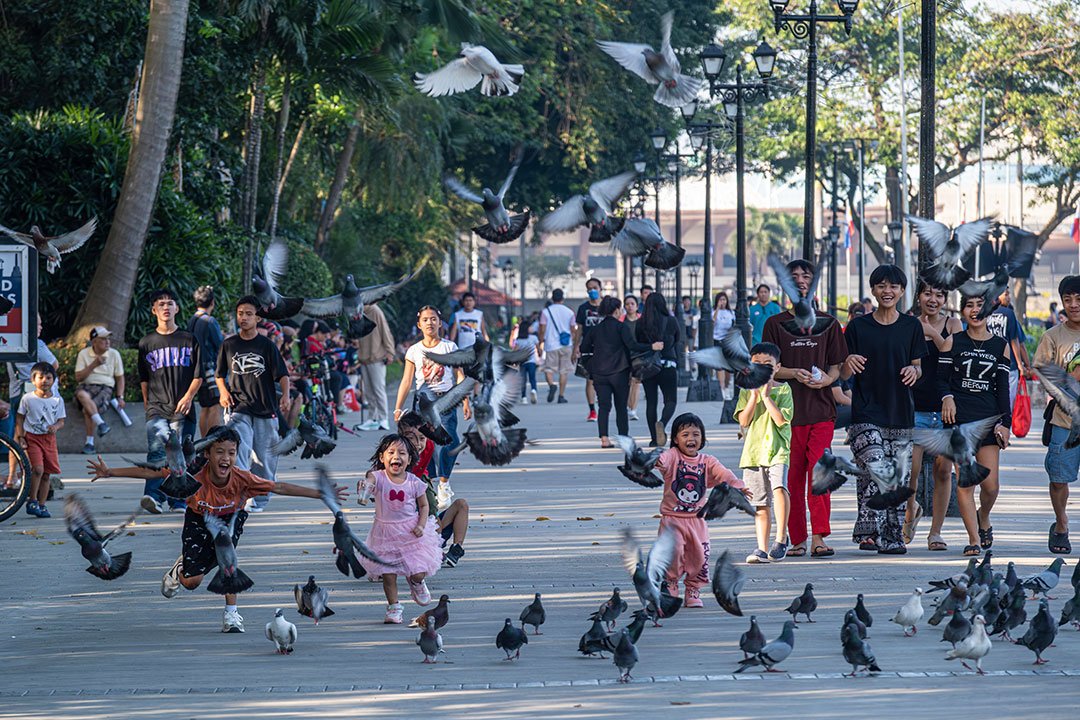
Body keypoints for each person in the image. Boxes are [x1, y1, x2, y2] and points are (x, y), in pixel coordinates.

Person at [88, 427, 347, 633]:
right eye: (219, 452)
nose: (226, 458)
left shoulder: (243, 478)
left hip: (230, 520)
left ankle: (231, 615)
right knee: (191, 582)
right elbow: (152, 473)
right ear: (207, 454)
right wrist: (110, 472)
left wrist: (321, 494)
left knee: (227, 561)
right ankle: (180, 568)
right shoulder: (191, 475)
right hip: (197, 521)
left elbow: (279, 487)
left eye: (231, 453)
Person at [763, 259, 847, 558]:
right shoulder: (774, 324)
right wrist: (793, 373)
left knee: (819, 473)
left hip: (822, 412)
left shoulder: (829, 323)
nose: (800, 281)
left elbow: (837, 367)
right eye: (794, 277)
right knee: (793, 478)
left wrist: (827, 379)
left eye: (806, 276)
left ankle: (819, 537)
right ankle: (797, 539)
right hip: (787, 414)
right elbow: (768, 367)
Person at [842, 265, 926, 555]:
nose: (887, 291)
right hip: (865, 413)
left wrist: (914, 372)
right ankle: (873, 528)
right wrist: (847, 363)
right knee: (878, 467)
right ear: (873, 290)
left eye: (893, 286)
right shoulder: (857, 327)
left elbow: (918, 366)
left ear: (902, 291)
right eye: (881, 286)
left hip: (900, 413)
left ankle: (888, 536)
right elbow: (842, 373)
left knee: (894, 477)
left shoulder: (911, 326)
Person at [937, 293, 1011, 556]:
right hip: (958, 421)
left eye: (981, 306)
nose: (975, 310)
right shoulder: (952, 342)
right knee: (966, 483)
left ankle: (984, 516)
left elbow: (1003, 389)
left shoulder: (1001, 345)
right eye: (969, 305)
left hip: (989, 421)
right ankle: (973, 539)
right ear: (962, 311)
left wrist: (1006, 423)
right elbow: (940, 379)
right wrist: (947, 397)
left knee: (991, 487)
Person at [653, 413, 749, 607]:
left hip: (697, 520)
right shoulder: (672, 456)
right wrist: (655, 459)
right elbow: (661, 460)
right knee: (672, 552)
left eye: (696, 434)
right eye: (685, 434)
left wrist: (737, 486)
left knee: (699, 557)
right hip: (672, 519)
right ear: (675, 439)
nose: (691, 438)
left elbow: (724, 474)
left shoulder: (707, 461)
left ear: (703, 438)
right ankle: (670, 584)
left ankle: (693, 589)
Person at [358, 434, 442, 624]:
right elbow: (369, 482)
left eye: (402, 453)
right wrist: (364, 487)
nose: (396, 456)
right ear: (382, 458)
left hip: (410, 532)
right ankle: (394, 607)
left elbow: (424, 506)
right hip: (384, 534)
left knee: (418, 570)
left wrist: (421, 525)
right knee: (388, 575)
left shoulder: (414, 482)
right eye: (391, 452)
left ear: (409, 459)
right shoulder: (378, 477)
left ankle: (417, 582)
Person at [216, 296, 290, 513]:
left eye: (249, 314)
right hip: (238, 408)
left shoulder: (267, 345)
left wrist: (285, 396)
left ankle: (260, 498)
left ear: (258, 318)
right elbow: (219, 374)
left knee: (265, 457)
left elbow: (283, 375)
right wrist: (223, 392)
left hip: (265, 408)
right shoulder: (229, 345)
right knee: (239, 451)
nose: (244, 318)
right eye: (240, 313)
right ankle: (242, 494)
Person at [908, 280, 964, 551]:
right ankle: (911, 510)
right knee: (911, 471)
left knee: (943, 471)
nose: (933, 299)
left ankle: (936, 532)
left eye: (939, 295)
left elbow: (956, 359)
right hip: (915, 406)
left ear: (945, 299)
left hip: (945, 408)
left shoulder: (953, 325)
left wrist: (932, 332)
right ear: (918, 296)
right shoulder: (908, 324)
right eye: (927, 293)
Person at [137, 289, 202, 514]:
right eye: (161, 304)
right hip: (157, 408)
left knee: (181, 455)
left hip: (183, 408)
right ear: (154, 310)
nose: (166, 307)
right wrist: (147, 404)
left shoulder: (189, 339)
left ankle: (179, 501)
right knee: (156, 453)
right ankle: (153, 497)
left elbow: (198, 376)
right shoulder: (146, 342)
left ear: (177, 308)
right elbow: (144, 378)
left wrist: (188, 397)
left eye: (170, 303)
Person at [394, 306, 471, 480]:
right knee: (424, 443)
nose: (430, 322)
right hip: (422, 403)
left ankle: (444, 480)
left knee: (451, 441)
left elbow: (460, 376)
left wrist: (466, 401)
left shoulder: (449, 347)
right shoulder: (414, 350)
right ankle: (428, 479)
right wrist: (398, 408)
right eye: (425, 320)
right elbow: (406, 381)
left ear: (440, 323)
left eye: (433, 319)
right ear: (419, 325)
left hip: (446, 402)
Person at [1032, 275, 1080, 555]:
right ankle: (1061, 524)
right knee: (1058, 478)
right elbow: (1040, 370)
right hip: (1064, 421)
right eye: (1068, 299)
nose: (1073, 305)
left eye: (1078, 299)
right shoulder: (1052, 336)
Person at [736, 343, 792, 563]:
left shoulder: (784, 390)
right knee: (760, 501)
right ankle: (761, 547)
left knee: (779, 488)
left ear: (777, 367)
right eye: (757, 364)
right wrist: (754, 397)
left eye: (767, 364)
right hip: (754, 452)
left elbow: (781, 420)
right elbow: (743, 421)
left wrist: (767, 397)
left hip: (778, 450)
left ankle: (781, 538)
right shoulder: (746, 391)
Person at [581, 297, 658, 448]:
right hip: (619, 372)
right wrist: (651, 347)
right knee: (621, 407)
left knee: (603, 407)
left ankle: (604, 439)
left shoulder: (595, 329)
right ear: (617, 310)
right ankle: (623, 438)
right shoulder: (621, 327)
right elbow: (632, 345)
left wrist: (593, 359)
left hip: (599, 373)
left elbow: (584, 348)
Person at [396, 411, 469, 568]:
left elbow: (421, 472)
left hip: (422, 488)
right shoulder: (396, 455)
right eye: (411, 438)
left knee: (461, 505)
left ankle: (455, 549)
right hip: (411, 530)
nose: (417, 444)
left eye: (422, 438)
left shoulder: (428, 446)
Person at [3, 317, 59, 490]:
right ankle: (33, 479)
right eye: (38, 323)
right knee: (35, 438)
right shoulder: (36, 344)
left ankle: (12, 477)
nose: (41, 327)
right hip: (36, 397)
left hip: (16, 393)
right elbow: (54, 365)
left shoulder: (9, 342)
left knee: (17, 436)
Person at [15, 362, 64, 518]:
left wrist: (55, 427)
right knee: (37, 469)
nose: (45, 381)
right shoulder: (27, 399)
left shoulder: (57, 400)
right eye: (40, 377)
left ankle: (42, 505)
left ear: (53, 380)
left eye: (48, 378)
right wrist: (21, 436)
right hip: (32, 438)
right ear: (33, 380)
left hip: (49, 440)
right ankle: (32, 500)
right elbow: (20, 418)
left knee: (47, 474)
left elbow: (61, 420)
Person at [636, 292, 680, 446]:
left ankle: (654, 439)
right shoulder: (671, 320)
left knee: (651, 402)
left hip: (649, 366)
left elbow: (638, 345)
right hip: (668, 364)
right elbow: (677, 340)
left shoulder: (641, 323)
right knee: (670, 400)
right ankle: (662, 422)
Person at [74, 326, 125, 455]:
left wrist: (120, 397)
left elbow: (120, 378)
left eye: (108, 339)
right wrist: (94, 365)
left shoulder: (114, 354)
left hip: (105, 387)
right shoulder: (84, 354)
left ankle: (90, 443)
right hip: (86, 386)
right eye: (103, 339)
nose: (107, 342)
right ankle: (101, 423)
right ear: (94, 342)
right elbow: (78, 377)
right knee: (81, 394)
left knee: (87, 409)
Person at [187, 285, 224, 436]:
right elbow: (220, 346)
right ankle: (212, 440)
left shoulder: (192, 320)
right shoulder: (210, 321)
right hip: (210, 369)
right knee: (215, 405)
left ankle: (204, 441)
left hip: (196, 370)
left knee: (205, 406)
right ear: (212, 302)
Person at [986, 287, 1031, 406]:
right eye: (1006, 294)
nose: (1009, 298)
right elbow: (1016, 342)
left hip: (989, 364)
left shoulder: (986, 315)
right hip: (1009, 365)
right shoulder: (1009, 314)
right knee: (1007, 403)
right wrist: (1022, 365)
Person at [355, 303, 396, 431]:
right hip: (364, 357)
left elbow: (385, 331)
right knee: (368, 391)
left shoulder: (375, 310)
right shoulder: (359, 313)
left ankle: (383, 419)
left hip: (377, 356)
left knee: (378, 389)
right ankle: (372, 418)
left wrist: (390, 352)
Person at [538, 288, 576, 404]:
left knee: (548, 369)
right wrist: (574, 343)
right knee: (564, 371)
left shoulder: (545, 312)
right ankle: (561, 396)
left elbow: (542, 329)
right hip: (566, 344)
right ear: (563, 298)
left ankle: (552, 385)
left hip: (551, 345)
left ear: (552, 298)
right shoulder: (569, 312)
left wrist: (540, 343)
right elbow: (573, 329)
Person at [574, 277, 604, 422]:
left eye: (595, 288)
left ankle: (603, 404)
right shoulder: (583, 308)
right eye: (589, 289)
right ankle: (592, 410)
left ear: (600, 289)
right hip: (588, 347)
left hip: (606, 348)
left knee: (605, 379)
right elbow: (579, 329)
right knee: (590, 380)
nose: (592, 291)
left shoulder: (607, 306)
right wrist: (576, 347)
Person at [622, 294, 642, 420]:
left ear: (637, 306)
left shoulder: (642, 321)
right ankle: (627, 406)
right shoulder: (621, 321)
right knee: (627, 382)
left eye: (632, 304)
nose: (630, 306)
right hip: (624, 355)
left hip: (639, 355)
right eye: (627, 304)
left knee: (636, 382)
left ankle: (633, 409)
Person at [511, 320, 539, 404]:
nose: (532, 328)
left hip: (522, 362)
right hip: (531, 362)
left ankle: (524, 398)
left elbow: (515, 351)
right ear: (527, 328)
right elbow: (538, 348)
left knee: (523, 380)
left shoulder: (518, 340)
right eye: (530, 327)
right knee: (532, 378)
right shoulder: (533, 338)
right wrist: (540, 353)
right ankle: (533, 390)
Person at [712, 292, 736, 387]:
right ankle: (721, 387)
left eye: (724, 300)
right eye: (720, 300)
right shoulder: (713, 312)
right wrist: (717, 308)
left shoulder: (731, 313)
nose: (722, 302)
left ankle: (726, 385)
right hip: (717, 340)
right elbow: (712, 322)